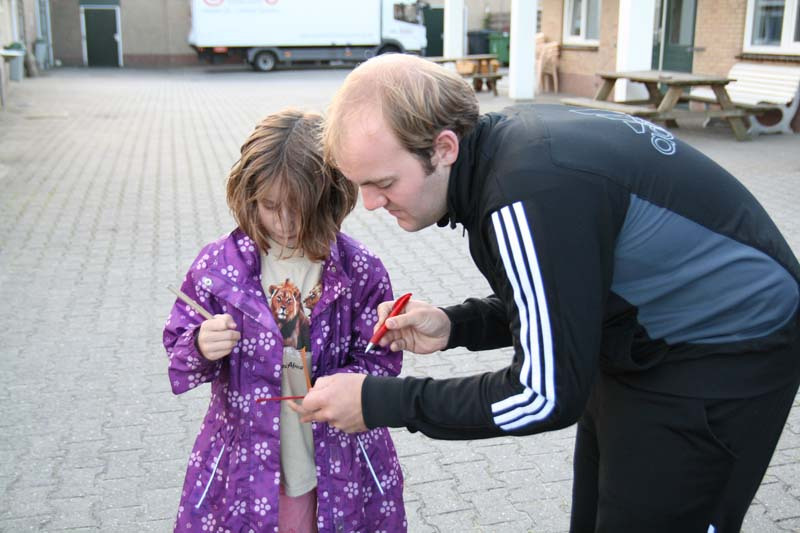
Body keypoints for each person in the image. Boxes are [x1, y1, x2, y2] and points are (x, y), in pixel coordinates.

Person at [293, 54, 800, 533]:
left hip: (728, 350)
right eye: (361, 185)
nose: (370, 204)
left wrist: (379, 401)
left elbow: (544, 395)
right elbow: (568, 296)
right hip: (646, 338)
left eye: (383, 182)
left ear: (444, 148)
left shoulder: (528, 192)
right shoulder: (500, 156)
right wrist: (455, 325)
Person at [163, 109, 406, 533]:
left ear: (328, 197)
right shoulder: (219, 267)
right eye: (271, 206)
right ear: (248, 195)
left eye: (299, 208)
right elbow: (178, 352)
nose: (286, 222)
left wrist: (344, 386)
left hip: (339, 469)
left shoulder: (359, 270)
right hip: (244, 471)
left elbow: (381, 359)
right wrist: (200, 344)